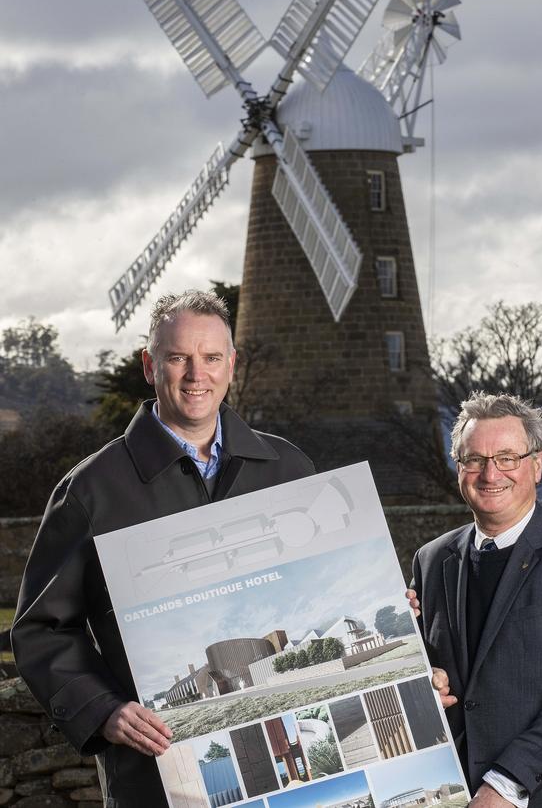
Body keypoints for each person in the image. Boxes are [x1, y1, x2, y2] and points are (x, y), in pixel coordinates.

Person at [11, 290, 314, 807]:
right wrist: (103, 709)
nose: (197, 375)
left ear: (232, 365)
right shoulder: (91, 491)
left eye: (212, 358)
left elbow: (321, 578)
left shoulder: (288, 468)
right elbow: (42, 629)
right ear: (150, 365)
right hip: (155, 776)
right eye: (178, 358)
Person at [407, 391, 542, 808]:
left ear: (538, 465)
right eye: (475, 459)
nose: (491, 474)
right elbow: (435, 677)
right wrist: (419, 679)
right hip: (456, 793)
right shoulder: (431, 560)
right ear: (460, 467)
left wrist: (504, 785)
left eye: (507, 457)